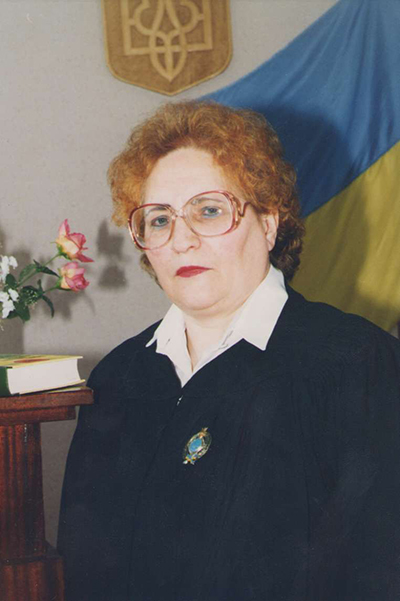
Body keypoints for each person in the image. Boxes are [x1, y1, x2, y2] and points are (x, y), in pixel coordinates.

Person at [58, 101, 400, 601]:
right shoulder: (117, 377)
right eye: (159, 219)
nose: (181, 240)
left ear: (269, 222)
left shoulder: (357, 365)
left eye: (210, 210)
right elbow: (81, 569)